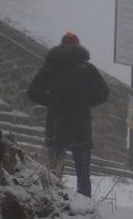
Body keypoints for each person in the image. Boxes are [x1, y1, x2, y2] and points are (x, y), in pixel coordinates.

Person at [26, 32, 110, 197]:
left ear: (61, 46)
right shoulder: (87, 69)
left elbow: (33, 92)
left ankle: (52, 198)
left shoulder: (51, 68)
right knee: (83, 171)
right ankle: (85, 202)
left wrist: (52, 101)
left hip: (57, 122)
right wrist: (86, 102)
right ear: (78, 46)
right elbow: (103, 93)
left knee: (54, 169)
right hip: (81, 124)